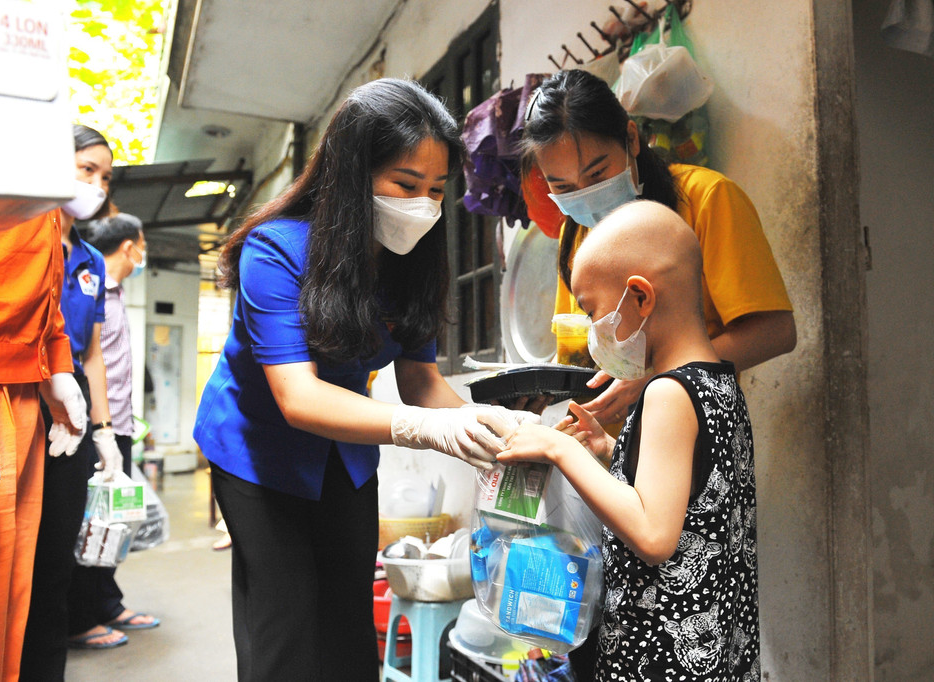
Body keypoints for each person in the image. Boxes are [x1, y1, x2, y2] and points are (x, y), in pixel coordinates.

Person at [193, 78, 535, 681]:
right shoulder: (276, 250)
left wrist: (496, 435)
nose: (423, 206)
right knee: (284, 625)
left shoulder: (410, 261)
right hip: (258, 452)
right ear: (352, 173)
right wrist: (427, 431)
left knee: (348, 625)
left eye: (435, 190)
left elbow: (422, 381)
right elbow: (297, 398)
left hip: (346, 452)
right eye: (405, 185)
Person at [499, 201, 760, 681]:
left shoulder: (667, 392)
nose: (594, 333)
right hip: (717, 655)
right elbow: (685, 504)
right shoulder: (720, 383)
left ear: (640, 298)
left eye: (593, 311)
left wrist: (560, 448)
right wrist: (608, 454)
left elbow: (654, 536)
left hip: (661, 660)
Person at [520, 69, 796, 427]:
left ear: (631, 139)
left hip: (689, 429)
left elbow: (775, 332)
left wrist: (656, 379)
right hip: (611, 452)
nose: (585, 197)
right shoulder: (574, 236)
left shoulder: (707, 199)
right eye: (564, 187)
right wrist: (543, 390)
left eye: (597, 174)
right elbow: (581, 350)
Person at [20, 125, 128, 674]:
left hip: (71, 403)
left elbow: (92, 356)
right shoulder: (13, 231)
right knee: (8, 545)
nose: (96, 184)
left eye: (105, 177)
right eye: (86, 169)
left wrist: (106, 432)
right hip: (17, 388)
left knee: (57, 547)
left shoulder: (88, 261)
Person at [0, 209, 88, 678]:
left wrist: (54, 363)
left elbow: (42, 287)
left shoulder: (42, 187)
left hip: (21, 388)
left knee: (4, 593)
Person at [68, 212, 161, 645]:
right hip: (88, 424)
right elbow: (87, 362)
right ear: (129, 246)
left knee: (114, 518)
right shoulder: (90, 287)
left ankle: (107, 602)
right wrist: (97, 429)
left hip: (117, 423)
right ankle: (80, 617)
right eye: (142, 244)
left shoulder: (117, 292)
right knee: (87, 522)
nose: (143, 253)